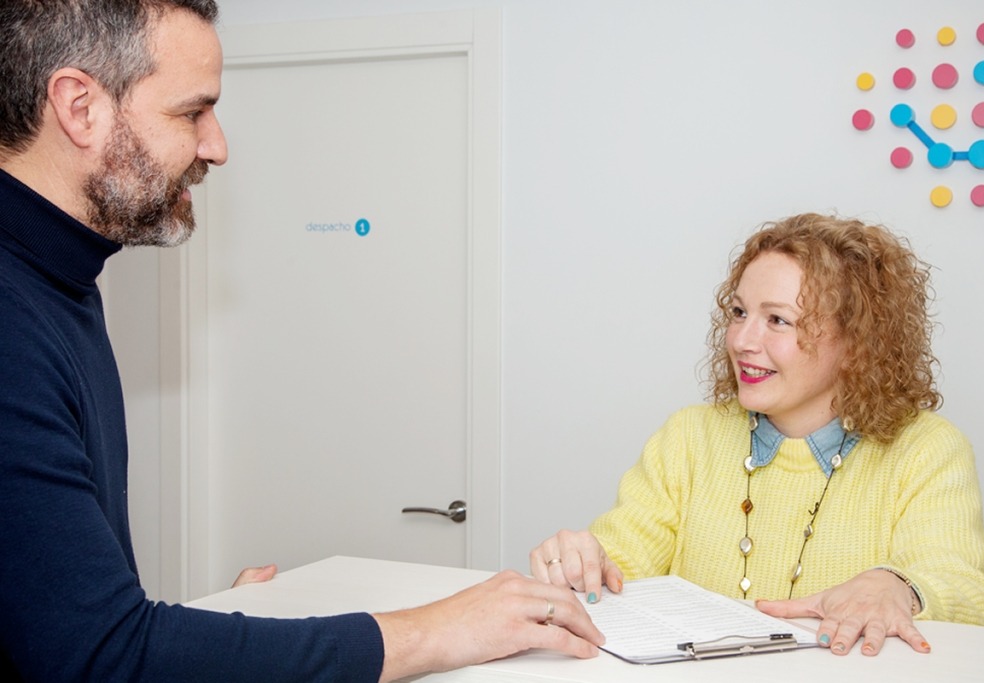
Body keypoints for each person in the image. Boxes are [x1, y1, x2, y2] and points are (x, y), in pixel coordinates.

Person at [0, 1, 603, 681]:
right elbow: (104, 655)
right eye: (191, 112)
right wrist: (437, 630)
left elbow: (63, 622)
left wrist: (216, 634)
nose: (216, 145)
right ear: (79, 108)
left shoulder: (61, 280)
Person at [531, 213, 984, 657]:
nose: (742, 340)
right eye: (739, 313)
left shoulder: (926, 450)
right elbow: (622, 560)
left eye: (778, 320)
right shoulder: (689, 438)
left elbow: (977, 598)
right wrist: (583, 561)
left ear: (855, 346)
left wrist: (900, 587)